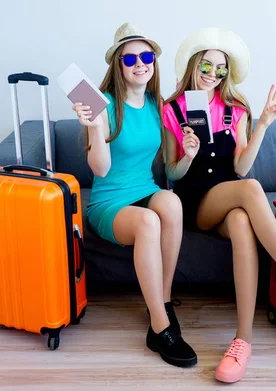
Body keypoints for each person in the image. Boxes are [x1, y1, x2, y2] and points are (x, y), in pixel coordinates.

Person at [162, 27, 276, 383]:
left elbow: (241, 167)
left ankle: (242, 340)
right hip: (195, 201)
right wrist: (187, 156)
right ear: (192, 65)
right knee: (249, 190)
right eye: (206, 65)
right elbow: (172, 171)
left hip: (229, 196)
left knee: (242, 222)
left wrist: (262, 123)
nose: (212, 75)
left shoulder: (236, 108)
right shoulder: (172, 109)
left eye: (220, 69)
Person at [72, 23, 197, 368]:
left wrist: (186, 155)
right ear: (118, 65)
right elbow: (99, 170)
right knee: (147, 221)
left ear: (154, 62)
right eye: (131, 58)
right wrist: (96, 128)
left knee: (171, 202)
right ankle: (160, 327)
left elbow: (170, 176)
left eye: (146, 56)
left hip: (145, 189)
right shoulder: (102, 104)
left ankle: (164, 301)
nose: (140, 63)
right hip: (109, 201)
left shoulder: (159, 106)